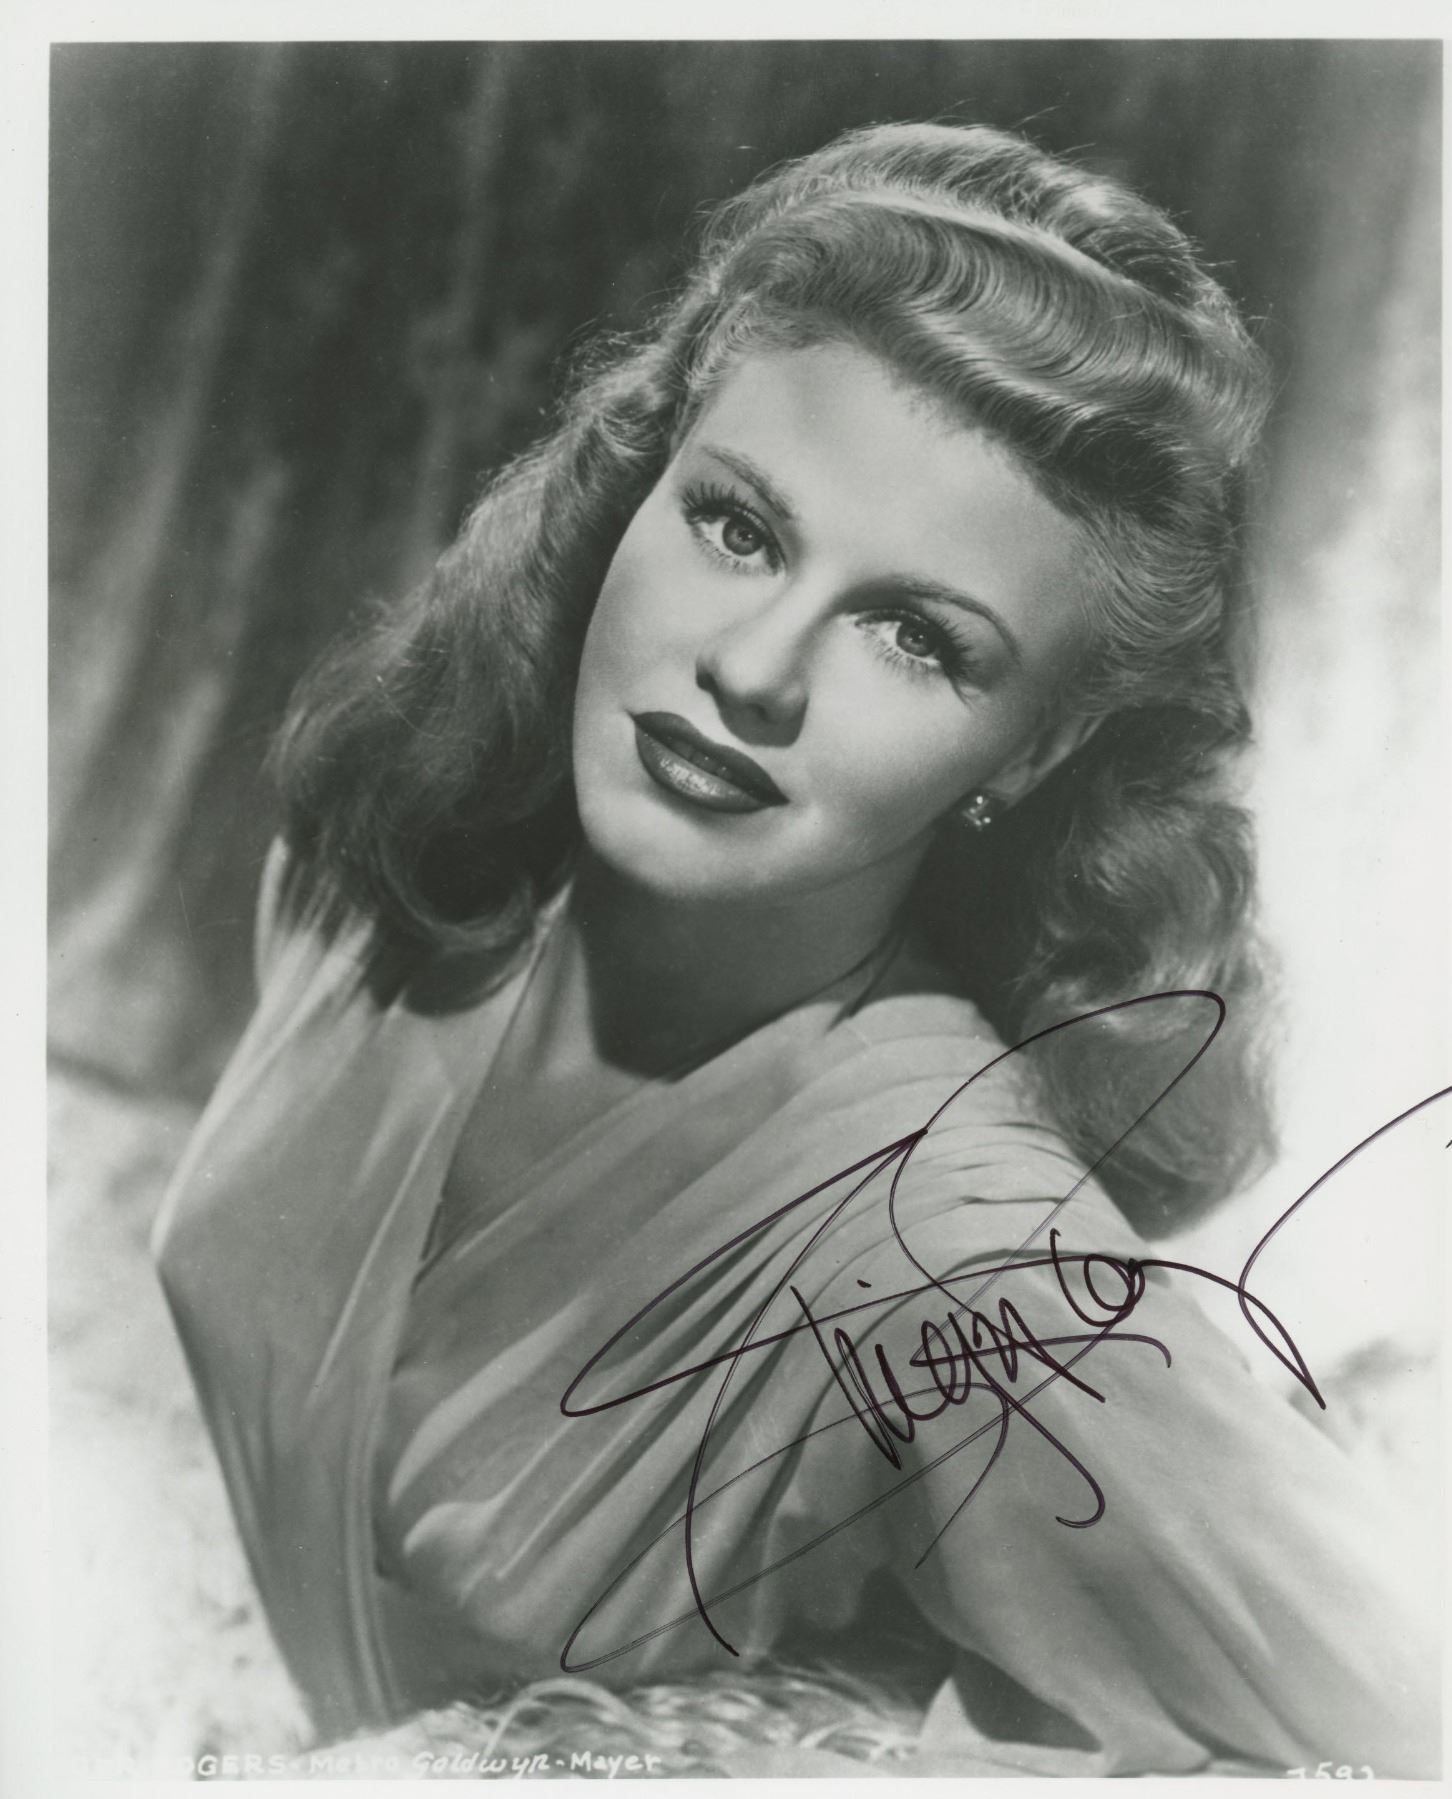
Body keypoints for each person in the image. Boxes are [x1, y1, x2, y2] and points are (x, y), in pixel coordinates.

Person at [150, 121, 1437, 1777]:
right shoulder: (387, 880)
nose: (754, 670)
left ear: (1039, 749)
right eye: (739, 528)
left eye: (915, 636)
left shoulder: (971, 1275)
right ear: (640, 481)